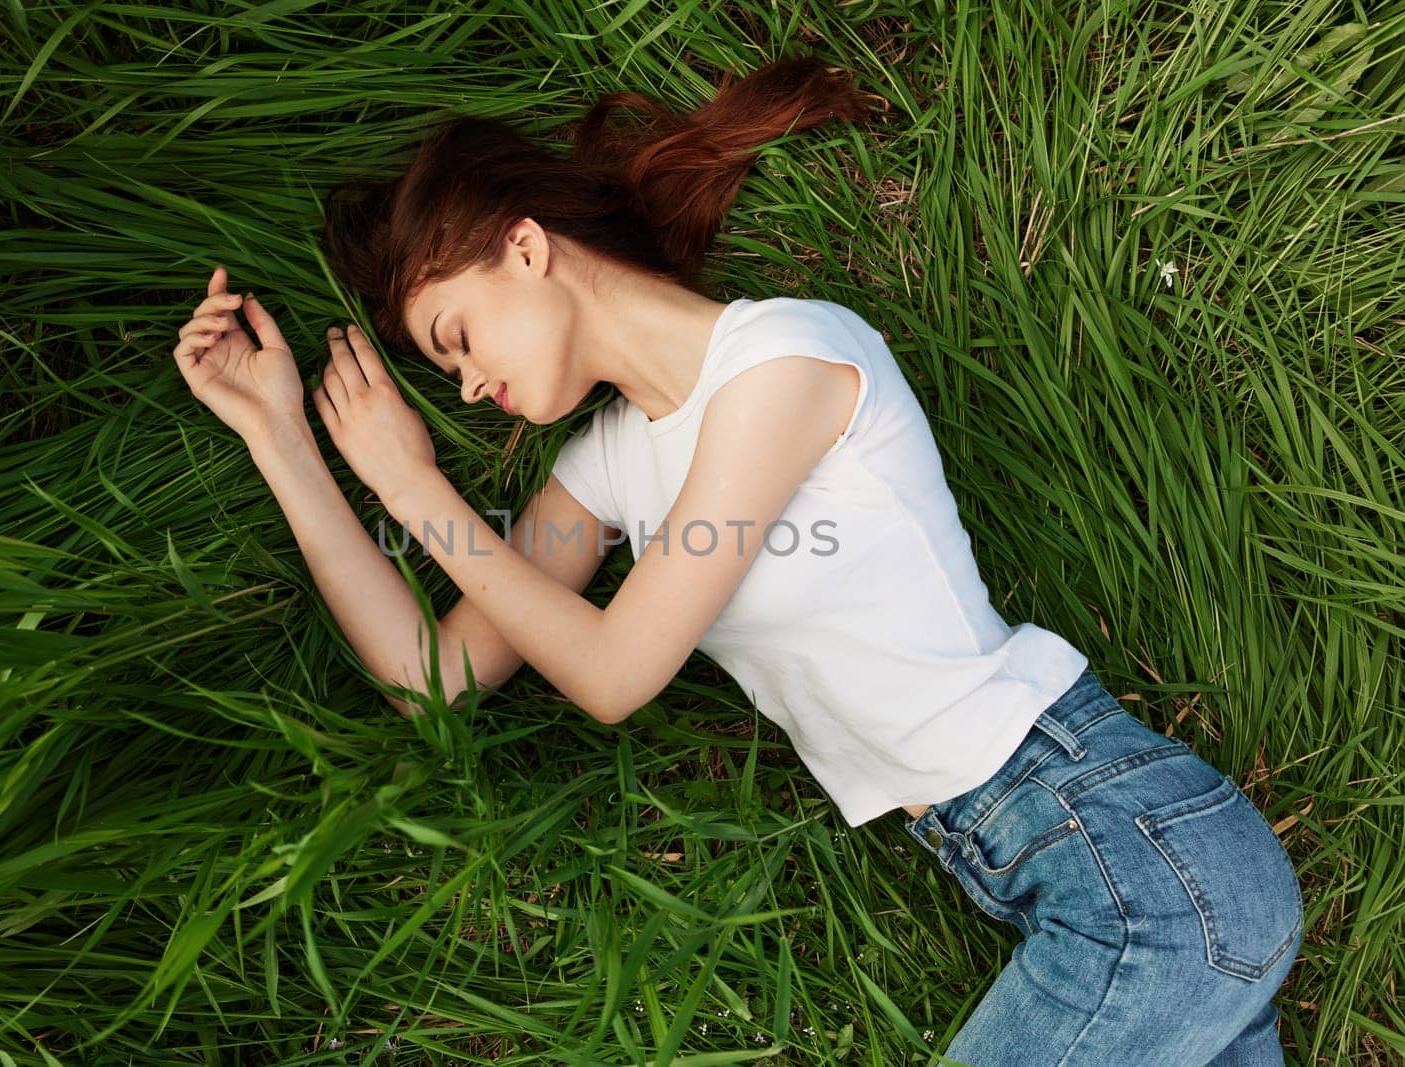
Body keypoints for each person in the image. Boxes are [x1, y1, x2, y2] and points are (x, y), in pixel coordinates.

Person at [169, 54, 1304, 1067]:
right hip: (1056, 877)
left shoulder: (783, 357)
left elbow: (616, 672)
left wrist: (414, 485)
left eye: (458, 339)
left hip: (1127, 853)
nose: (466, 387)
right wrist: (282, 437)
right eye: (448, 373)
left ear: (525, 247)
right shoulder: (609, 466)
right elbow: (437, 678)